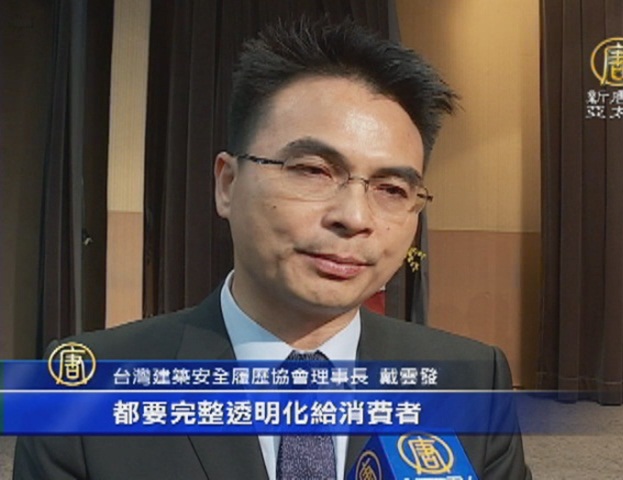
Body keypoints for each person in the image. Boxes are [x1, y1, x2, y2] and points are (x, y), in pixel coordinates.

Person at [14, 17, 531, 480]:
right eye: (313, 171)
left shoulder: (470, 380)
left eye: (392, 189)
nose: (354, 218)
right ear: (227, 184)